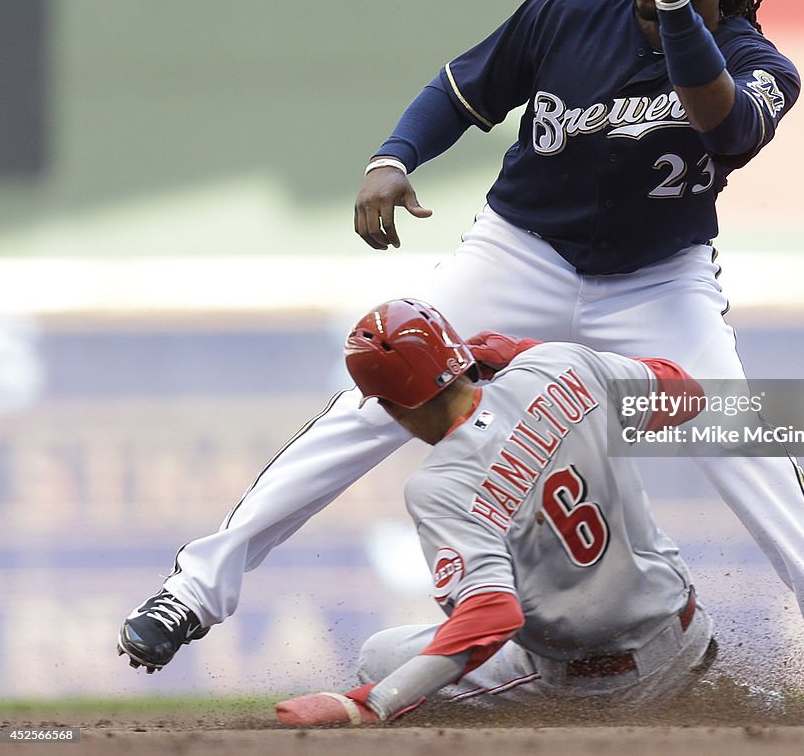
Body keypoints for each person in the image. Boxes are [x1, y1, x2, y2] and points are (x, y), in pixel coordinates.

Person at [117, 0, 804, 715]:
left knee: (741, 435)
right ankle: (193, 588)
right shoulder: (567, 12)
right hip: (520, 251)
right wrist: (393, 155)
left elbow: (724, 130)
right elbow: (464, 91)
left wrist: (685, 11)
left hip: (658, 283)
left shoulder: (761, 64)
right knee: (370, 406)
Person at [275, 298, 718, 727]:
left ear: (394, 405)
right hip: (687, 631)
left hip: (600, 684)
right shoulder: (560, 364)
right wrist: (525, 352)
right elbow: (687, 394)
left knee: (381, 660)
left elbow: (492, 614)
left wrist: (376, 702)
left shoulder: (440, 485)